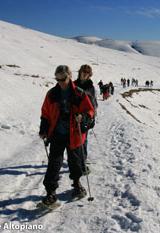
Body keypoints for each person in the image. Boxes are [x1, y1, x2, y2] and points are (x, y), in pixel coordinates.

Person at [39, 65, 95, 206]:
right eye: (57, 79)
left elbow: (90, 110)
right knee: (54, 164)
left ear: (69, 77)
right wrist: (43, 128)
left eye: (63, 79)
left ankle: (77, 185)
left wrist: (83, 116)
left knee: (75, 162)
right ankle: (50, 193)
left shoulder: (80, 93)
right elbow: (45, 113)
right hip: (57, 133)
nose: (60, 82)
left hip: (74, 133)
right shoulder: (51, 94)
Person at [74, 64, 98, 168]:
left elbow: (93, 103)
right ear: (80, 72)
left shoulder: (90, 87)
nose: (85, 74)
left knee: (84, 138)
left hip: (85, 115)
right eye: (84, 71)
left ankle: (83, 157)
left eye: (87, 72)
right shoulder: (73, 84)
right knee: (74, 137)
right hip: (73, 115)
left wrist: (92, 117)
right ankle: (75, 157)